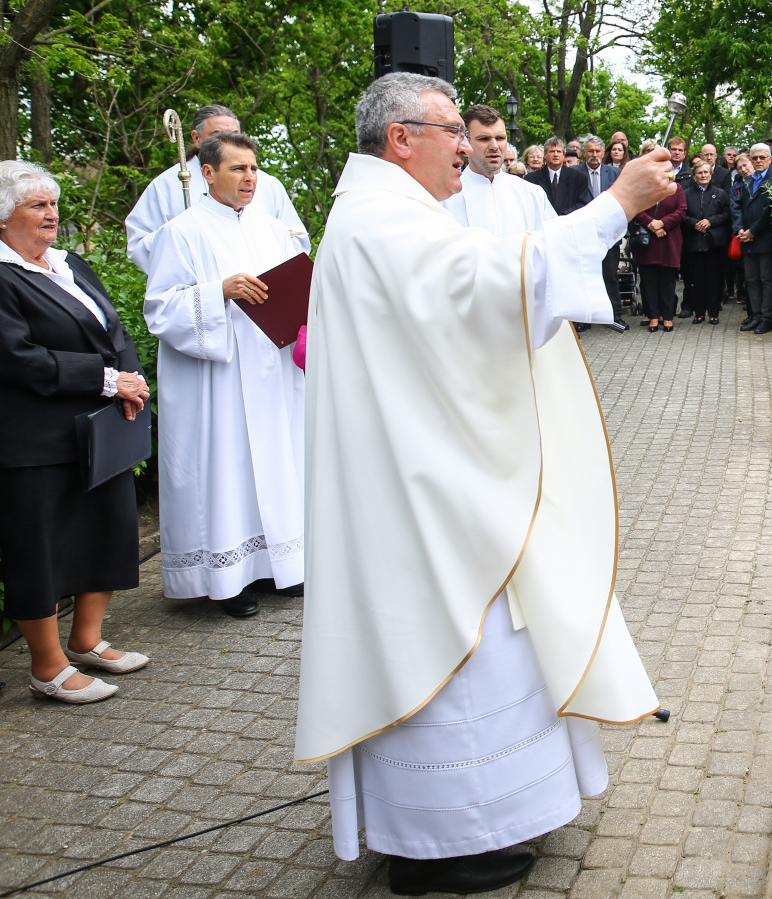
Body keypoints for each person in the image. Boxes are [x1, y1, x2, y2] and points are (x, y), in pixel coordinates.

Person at [296, 73, 665, 896]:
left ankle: (465, 827)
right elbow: (500, 284)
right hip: (426, 491)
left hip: (422, 468)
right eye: (452, 130)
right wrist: (617, 204)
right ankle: (445, 845)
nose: (467, 146)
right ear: (400, 138)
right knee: (461, 647)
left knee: (483, 648)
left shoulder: (382, 209)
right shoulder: (383, 218)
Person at [0, 161, 149, 704]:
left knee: (109, 527)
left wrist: (131, 381)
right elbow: (16, 357)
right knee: (38, 549)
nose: (51, 214)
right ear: (2, 217)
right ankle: (47, 666)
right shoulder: (3, 275)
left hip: (98, 427)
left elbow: (114, 329)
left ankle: (86, 639)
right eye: (37, 205)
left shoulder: (69, 263)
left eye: (54, 204)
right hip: (33, 437)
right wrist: (108, 380)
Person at [143, 131, 306, 618]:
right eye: (238, 168)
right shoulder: (181, 232)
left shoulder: (274, 230)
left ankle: (282, 565)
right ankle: (230, 579)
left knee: (278, 462)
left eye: (254, 168)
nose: (250, 177)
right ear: (208, 173)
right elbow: (159, 308)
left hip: (271, 368)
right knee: (228, 469)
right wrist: (218, 292)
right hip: (219, 377)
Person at [125, 104, 310, 274]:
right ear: (196, 138)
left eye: (234, 134)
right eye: (218, 135)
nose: (228, 141)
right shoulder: (167, 185)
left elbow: (295, 240)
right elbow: (139, 244)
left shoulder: (268, 184)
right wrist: (189, 244)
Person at [445, 105, 549, 236]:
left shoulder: (532, 194)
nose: (494, 146)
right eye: (484, 139)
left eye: (500, 138)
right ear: (465, 142)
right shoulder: (446, 196)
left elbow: (552, 242)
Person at [562, 136, 627, 332]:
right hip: (582, 234)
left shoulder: (614, 173)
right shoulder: (574, 173)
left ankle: (614, 316)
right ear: (584, 153)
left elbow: (621, 201)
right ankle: (584, 318)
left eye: (598, 151)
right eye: (590, 151)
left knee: (610, 276)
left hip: (608, 234)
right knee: (584, 277)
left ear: (603, 153)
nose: (594, 155)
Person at [731, 145, 772, 334]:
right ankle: (756, 316)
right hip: (747, 239)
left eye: (762, 157)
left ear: (770, 159)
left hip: (765, 238)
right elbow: (738, 207)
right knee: (751, 279)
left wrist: (753, 231)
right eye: (755, 158)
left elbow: (771, 210)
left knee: (767, 279)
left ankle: (766, 318)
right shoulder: (748, 180)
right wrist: (740, 230)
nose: (758, 161)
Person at [630, 166, 687, 332]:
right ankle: (653, 316)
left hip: (669, 239)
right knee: (649, 280)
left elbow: (681, 210)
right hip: (647, 241)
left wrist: (662, 223)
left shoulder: (676, 188)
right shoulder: (643, 188)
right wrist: (652, 224)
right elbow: (636, 208)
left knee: (668, 281)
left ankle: (667, 317)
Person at [681, 157, 732, 325]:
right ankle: (699, 313)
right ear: (694, 175)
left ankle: (713, 312)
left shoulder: (720, 193)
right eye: (699, 173)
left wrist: (710, 221)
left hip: (714, 244)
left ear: (711, 174)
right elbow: (681, 215)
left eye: (705, 172)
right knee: (696, 280)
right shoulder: (686, 194)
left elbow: (727, 214)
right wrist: (694, 224)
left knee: (714, 280)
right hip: (693, 243)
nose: (703, 175)